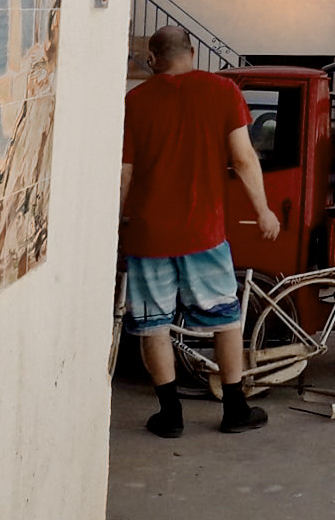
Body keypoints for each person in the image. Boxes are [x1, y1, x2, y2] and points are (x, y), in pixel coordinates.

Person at [120, 25, 281, 437]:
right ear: (192, 53)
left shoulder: (135, 101)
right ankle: (234, 408)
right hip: (203, 232)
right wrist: (263, 210)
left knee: (152, 324)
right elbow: (244, 159)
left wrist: (118, 222)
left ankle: (170, 416)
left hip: (148, 235)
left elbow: (126, 173)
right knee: (225, 320)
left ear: (153, 60)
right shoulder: (223, 92)